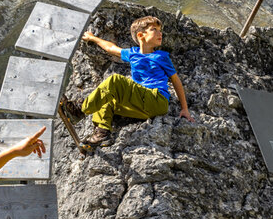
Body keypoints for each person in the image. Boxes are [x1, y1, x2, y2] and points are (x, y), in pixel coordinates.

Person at [67, 15, 194, 147]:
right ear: (140, 35)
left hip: (157, 100)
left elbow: (176, 80)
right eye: (154, 29)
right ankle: (102, 134)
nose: (160, 33)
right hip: (140, 105)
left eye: (160, 30)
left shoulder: (161, 57)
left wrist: (184, 108)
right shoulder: (133, 53)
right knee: (107, 98)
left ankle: (79, 110)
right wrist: (93, 38)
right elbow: (111, 48)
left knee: (115, 80)